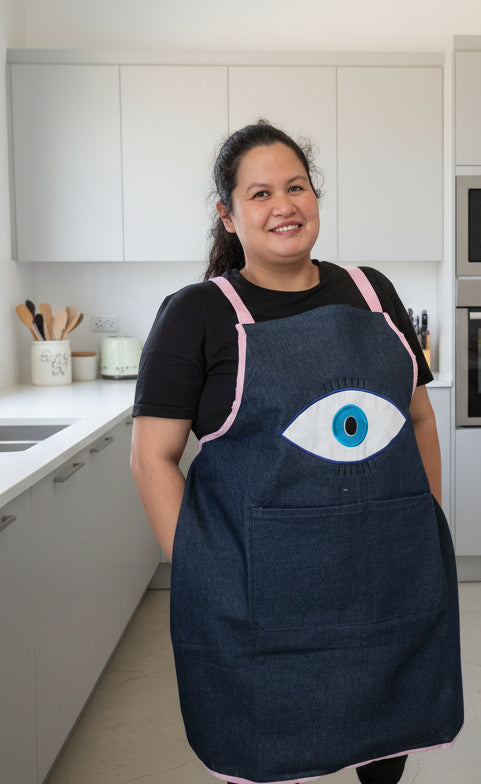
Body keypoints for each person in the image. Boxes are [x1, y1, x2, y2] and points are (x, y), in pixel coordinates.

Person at [130, 119, 463, 784]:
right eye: (259, 194)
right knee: (265, 753)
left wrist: (420, 524)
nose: (284, 205)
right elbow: (151, 458)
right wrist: (203, 575)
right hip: (262, 595)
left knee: (385, 738)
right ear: (227, 215)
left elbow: (418, 417)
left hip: (385, 582)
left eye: (297, 187)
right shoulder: (197, 314)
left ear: (315, 197)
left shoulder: (371, 292)